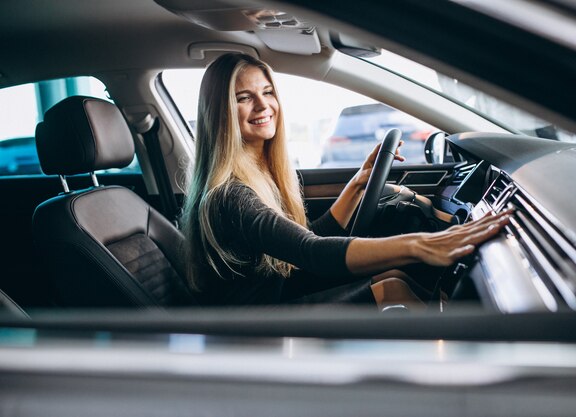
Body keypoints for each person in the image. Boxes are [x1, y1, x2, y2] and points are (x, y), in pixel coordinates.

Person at [181, 53, 510, 308]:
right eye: (244, 97)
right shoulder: (229, 195)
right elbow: (312, 252)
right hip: (253, 327)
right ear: (220, 110)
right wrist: (421, 245)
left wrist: (356, 186)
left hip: (277, 294)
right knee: (392, 288)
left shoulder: (259, 173)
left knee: (394, 277)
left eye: (268, 92)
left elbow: (304, 242)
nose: (264, 105)